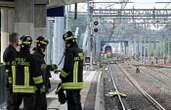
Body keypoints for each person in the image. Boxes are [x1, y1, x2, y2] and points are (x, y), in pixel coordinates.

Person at [8, 35, 44, 110]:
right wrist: (40, 86)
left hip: (16, 89)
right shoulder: (31, 58)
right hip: (29, 90)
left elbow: (10, 73)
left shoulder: (14, 57)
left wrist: (10, 86)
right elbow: (36, 75)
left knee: (13, 108)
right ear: (29, 45)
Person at [59, 31, 84, 110]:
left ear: (68, 41)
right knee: (77, 103)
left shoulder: (70, 51)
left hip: (71, 83)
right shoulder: (80, 51)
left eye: (66, 42)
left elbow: (67, 67)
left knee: (72, 105)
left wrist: (61, 76)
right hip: (78, 83)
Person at [32, 36, 57, 110]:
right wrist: (50, 67)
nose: (45, 47)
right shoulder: (36, 55)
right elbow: (40, 67)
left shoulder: (39, 55)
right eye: (45, 45)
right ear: (42, 45)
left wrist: (50, 67)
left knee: (42, 105)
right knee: (40, 105)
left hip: (41, 85)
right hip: (39, 86)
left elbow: (42, 67)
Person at [3, 32, 19, 110]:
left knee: (12, 100)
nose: (19, 41)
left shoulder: (10, 50)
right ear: (15, 40)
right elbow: (13, 66)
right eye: (18, 39)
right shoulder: (11, 52)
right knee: (12, 101)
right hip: (11, 79)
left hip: (11, 79)